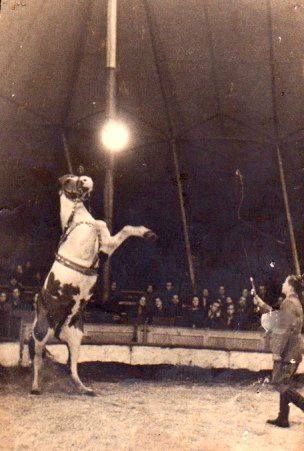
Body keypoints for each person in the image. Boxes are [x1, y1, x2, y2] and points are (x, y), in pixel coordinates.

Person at [253, 274, 304, 428]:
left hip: (288, 350)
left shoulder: (288, 302)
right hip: (294, 349)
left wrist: (277, 351)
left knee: (278, 382)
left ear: (290, 286)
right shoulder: (294, 302)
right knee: (284, 382)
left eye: (284, 282)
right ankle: (283, 418)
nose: (282, 284)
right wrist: (261, 304)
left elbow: (283, 329)